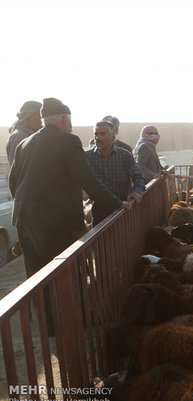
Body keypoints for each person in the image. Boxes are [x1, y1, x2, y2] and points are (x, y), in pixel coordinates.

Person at [9, 98, 126, 333]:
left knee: (38, 275)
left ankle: (50, 326)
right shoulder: (68, 141)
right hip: (54, 222)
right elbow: (87, 178)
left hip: (24, 219)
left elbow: (14, 181)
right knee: (68, 273)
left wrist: (26, 208)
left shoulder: (25, 143)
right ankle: (78, 320)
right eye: (70, 121)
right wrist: (117, 204)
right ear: (64, 120)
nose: (71, 126)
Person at [85, 120, 146, 224]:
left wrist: (137, 191)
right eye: (96, 134)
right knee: (101, 239)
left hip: (124, 207)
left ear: (113, 138)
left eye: (103, 134)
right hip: (100, 208)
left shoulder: (124, 155)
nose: (98, 137)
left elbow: (139, 176)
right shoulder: (87, 157)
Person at [6, 101, 42, 167]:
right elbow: (20, 169)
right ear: (28, 117)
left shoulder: (29, 135)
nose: (42, 120)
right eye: (39, 116)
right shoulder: (19, 137)